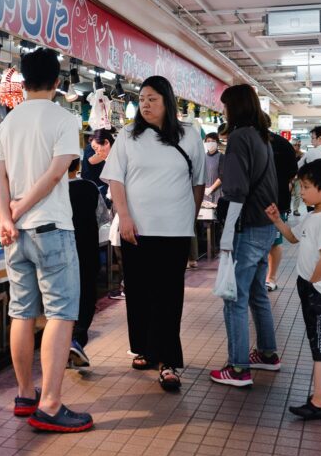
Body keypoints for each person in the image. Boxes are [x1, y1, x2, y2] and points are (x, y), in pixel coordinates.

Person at [0, 48, 92, 433]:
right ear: (57, 82)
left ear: (23, 81)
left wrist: (7, 217)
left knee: (21, 312)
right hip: (51, 228)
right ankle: (50, 404)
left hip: (14, 234)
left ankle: (24, 395)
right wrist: (20, 208)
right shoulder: (64, 119)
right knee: (61, 313)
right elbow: (54, 174)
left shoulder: (7, 123)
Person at [102, 75, 205, 392]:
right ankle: (146, 349)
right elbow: (116, 179)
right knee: (139, 291)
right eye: (142, 99)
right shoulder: (128, 135)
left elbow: (198, 183)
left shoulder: (188, 135)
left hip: (174, 230)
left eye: (152, 99)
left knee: (168, 294)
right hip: (136, 229)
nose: (145, 104)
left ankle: (168, 361)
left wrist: (189, 217)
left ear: (167, 102)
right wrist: (124, 216)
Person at [209, 85, 280, 387]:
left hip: (246, 226)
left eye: (225, 106)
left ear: (235, 107)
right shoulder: (261, 136)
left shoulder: (239, 137)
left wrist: (226, 237)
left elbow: (236, 191)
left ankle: (238, 368)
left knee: (234, 297)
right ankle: (267, 353)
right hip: (265, 226)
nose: (223, 111)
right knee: (256, 293)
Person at [265, 159, 321, 420]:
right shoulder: (313, 215)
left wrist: (313, 283)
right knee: (317, 340)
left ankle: (318, 403)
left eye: (307, 187)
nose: (301, 192)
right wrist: (277, 220)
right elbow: (292, 237)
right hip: (311, 286)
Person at [67, 157, 107, 368]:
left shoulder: (50, 189)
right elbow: (102, 218)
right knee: (86, 295)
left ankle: (63, 343)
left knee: (61, 299)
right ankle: (77, 339)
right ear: (78, 166)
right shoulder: (90, 187)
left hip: (61, 253)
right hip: (87, 251)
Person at [266, 128, 299, 291]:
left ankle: (271, 277)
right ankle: (267, 277)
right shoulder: (283, 144)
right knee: (272, 242)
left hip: (277, 202)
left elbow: (293, 173)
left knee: (275, 241)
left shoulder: (281, 144)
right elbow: (292, 173)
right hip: (276, 199)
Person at [190, 132, 223, 268]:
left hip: (217, 193)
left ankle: (217, 248)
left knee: (217, 223)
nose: (210, 143)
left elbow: (222, 175)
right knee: (202, 224)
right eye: (207, 141)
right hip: (203, 194)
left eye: (212, 141)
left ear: (217, 142)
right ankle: (204, 249)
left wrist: (212, 188)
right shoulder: (202, 157)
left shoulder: (222, 157)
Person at [82, 128, 115, 199]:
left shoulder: (117, 158)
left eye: (96, 149)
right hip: (94, 184)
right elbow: (92, 160)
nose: (96, 153)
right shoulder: (91, 146)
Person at [291, 139, 304, 217]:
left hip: (298, 177)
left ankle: (295, 209)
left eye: (299, 145)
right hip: (289, 178)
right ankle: (286, 209)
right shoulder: (289, 154)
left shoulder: (302, 155)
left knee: (298, 194)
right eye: (295, 145)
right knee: (287, 194)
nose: (297, 147)